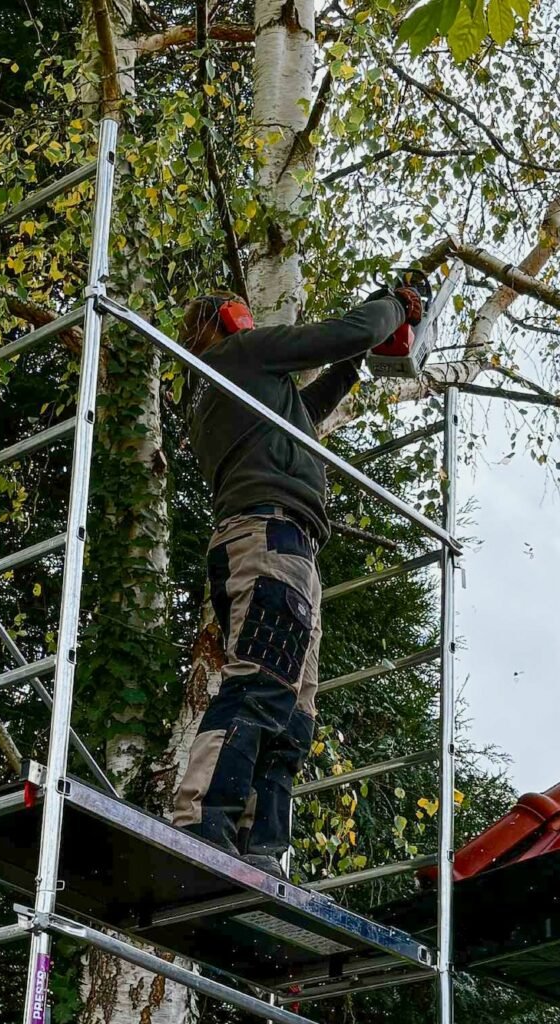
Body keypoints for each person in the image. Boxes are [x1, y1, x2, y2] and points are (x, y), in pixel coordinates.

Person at [171, 286, 422, 877]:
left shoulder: (225, 393)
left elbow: (305, 415)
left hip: (279, 542)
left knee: (292, 707)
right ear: (232, 320)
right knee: (262, 683)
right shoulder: (241, 356)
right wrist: (391, 306)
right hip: (271, 535)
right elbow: (346, 331)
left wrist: (358, 362)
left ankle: (264, 842)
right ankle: (202, 817)